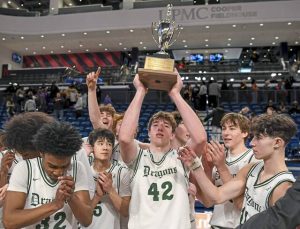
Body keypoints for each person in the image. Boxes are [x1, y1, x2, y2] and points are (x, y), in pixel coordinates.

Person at [118, 71, 207, 229]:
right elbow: (124, 138)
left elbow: (200, 139)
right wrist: (140, 91)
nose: (160, 127)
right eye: (155, 125)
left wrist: (175, 94)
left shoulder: (182, 156)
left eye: (166, 126)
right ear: (148, 132)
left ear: (173, 134)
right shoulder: (138, 156)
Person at [178, 113, 297, 226]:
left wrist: (220, 167)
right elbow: (217, 196)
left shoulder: (284, 187)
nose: (252, 143)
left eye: (258, 138)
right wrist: (195, 165)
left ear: (277, 142)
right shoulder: (250, 169)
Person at [3, 122, 93, 228]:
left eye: (64, 166)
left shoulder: (77, 168)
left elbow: (87, 220)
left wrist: (71, 197)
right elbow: (9, 221)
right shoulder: (24, 169)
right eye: (52, 166)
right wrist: (54, 205)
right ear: (41, 153)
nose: (58, 172)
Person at [207, 113, 258, 228]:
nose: (226, 132)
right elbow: (208, 200)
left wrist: (221, 167)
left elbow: (243, 203)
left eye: (232, 128)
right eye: (224, 128)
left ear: (245, 133)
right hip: (216, 224)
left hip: (240, 225)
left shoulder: (253, 158)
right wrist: (208, 167)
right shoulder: (218, 156)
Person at [83, 128, 131, 229]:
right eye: (100, 143)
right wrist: (97, 196)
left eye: (109, 144)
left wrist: (110, 190)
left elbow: (125, 212)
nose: (105, 148)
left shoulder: (122, 172)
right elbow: (81, 214)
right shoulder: (83, 172)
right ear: (92, 147)